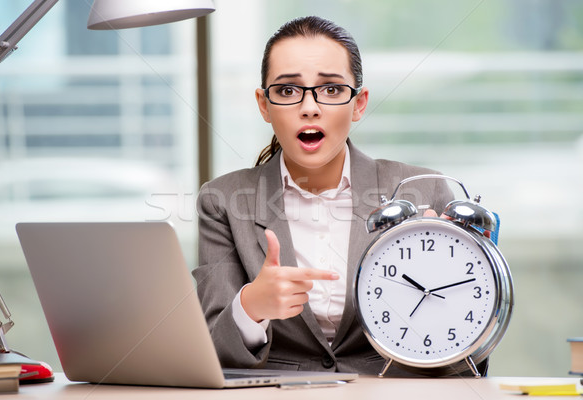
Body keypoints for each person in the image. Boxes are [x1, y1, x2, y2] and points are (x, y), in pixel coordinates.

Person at [193, 16, 457, 376]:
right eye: (287, 91)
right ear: (264, 104)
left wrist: (449, 272)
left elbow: (464, 340)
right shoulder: (222, 200)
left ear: (359, 103)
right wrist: (251, 305)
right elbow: (212, 349)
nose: (309, 107)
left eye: (331, 89)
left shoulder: (424, 189)